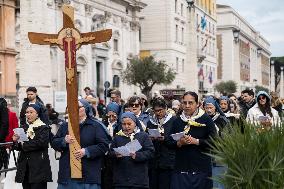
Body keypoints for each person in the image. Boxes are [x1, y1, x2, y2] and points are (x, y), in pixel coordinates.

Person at [51, 99, 110, 189]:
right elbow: (54, 143)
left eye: (78, 107)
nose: (75, 109)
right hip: (67, 175)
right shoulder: (64, 126)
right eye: (72, 107)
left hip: (88, 175)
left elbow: (104, 146)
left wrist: (86, 151)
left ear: (86, 108)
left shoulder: (96, 126)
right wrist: (64, 140)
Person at [168, 91, 216, 189]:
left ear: (197, 104)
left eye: (190, 103)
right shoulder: (177, 121)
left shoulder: (206, 120)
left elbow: (215, 142)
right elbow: (168, 142)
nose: (187, 105)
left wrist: (197, 141)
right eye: (184, 103)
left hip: (201, 169)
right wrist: (179, 143)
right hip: (181, 169)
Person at [110, 112, 155, 189]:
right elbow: (110, 154)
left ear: (135, 123)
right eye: (124, 124)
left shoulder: (143, 136)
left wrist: (137, 155)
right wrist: (115, 154)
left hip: (139, 181)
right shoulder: (117, 137)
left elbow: (151, 152)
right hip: (121, 181)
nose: (126, 126)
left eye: (129, 124)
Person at [12, 104, 52, 189]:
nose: (28, 114)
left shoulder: (43, 127)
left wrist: (23, 144)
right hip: (25, 167)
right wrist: (16, 141)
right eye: (27, 112)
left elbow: (41, 143)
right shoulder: (24, 127)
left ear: (37, 114)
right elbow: (18, 147)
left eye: (31, 112)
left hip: (38, 167)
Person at [147, 98, 176, 189]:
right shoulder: (150, 122)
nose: (158, 113)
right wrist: (150, 138)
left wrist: (165, 139)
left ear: (165, 108)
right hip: (154, 161)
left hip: (168, 161)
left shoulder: (174, 121)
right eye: (155, 111)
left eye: (160, 110)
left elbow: (177, 139)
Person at [0, 98, 9, 172]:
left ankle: (6, 173)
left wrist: (0, 137)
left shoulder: (1, 103)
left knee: (3, 159)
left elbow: (5, 123)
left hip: (0, 138)